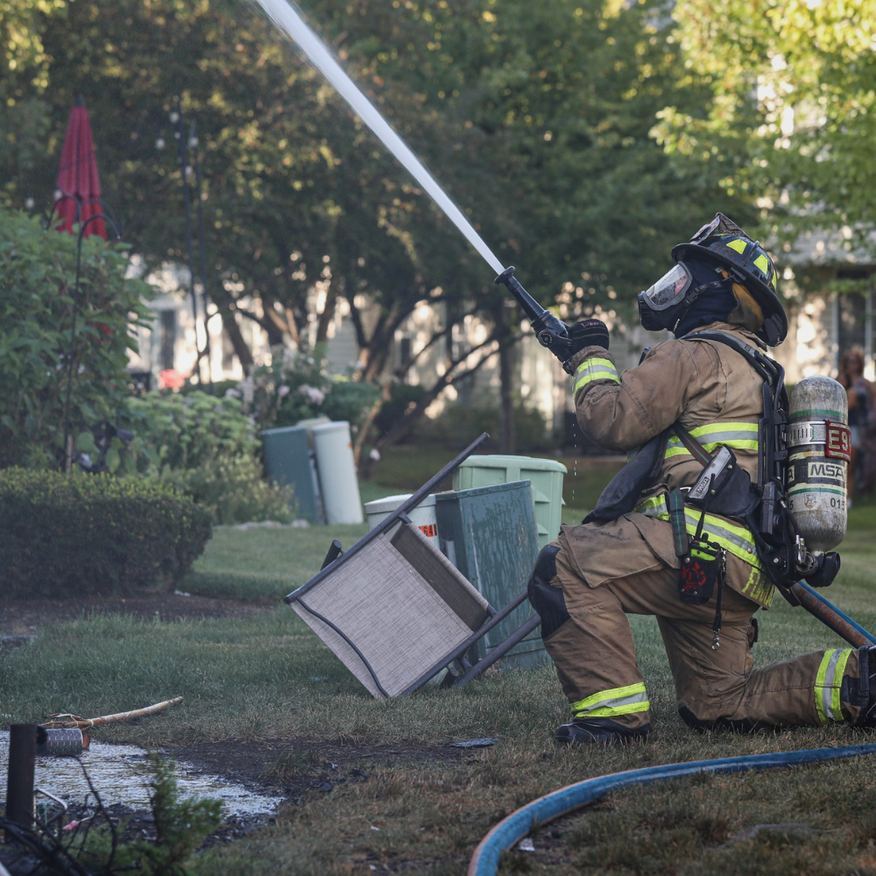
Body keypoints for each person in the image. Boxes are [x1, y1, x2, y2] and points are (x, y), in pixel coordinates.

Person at [527, 214, 875, 745]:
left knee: (565, 565)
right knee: (719, 704)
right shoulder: (761, 373)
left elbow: (612, 420)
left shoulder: (693, 354)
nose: (675, 290)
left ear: (716, 289)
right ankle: (859, 683)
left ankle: (614, 721)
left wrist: (591, 359)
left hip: (696, 550)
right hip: (742, 573)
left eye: (687, 278)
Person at [837, 347, 875, 504]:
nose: (852, 365)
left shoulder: (865, 384)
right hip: (843, 425)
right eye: (849, 362)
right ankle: (841, 496)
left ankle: (851, 498)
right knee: (842, 463)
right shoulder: (841, 380)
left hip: (861, 427)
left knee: (855, 464)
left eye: (855, 361)